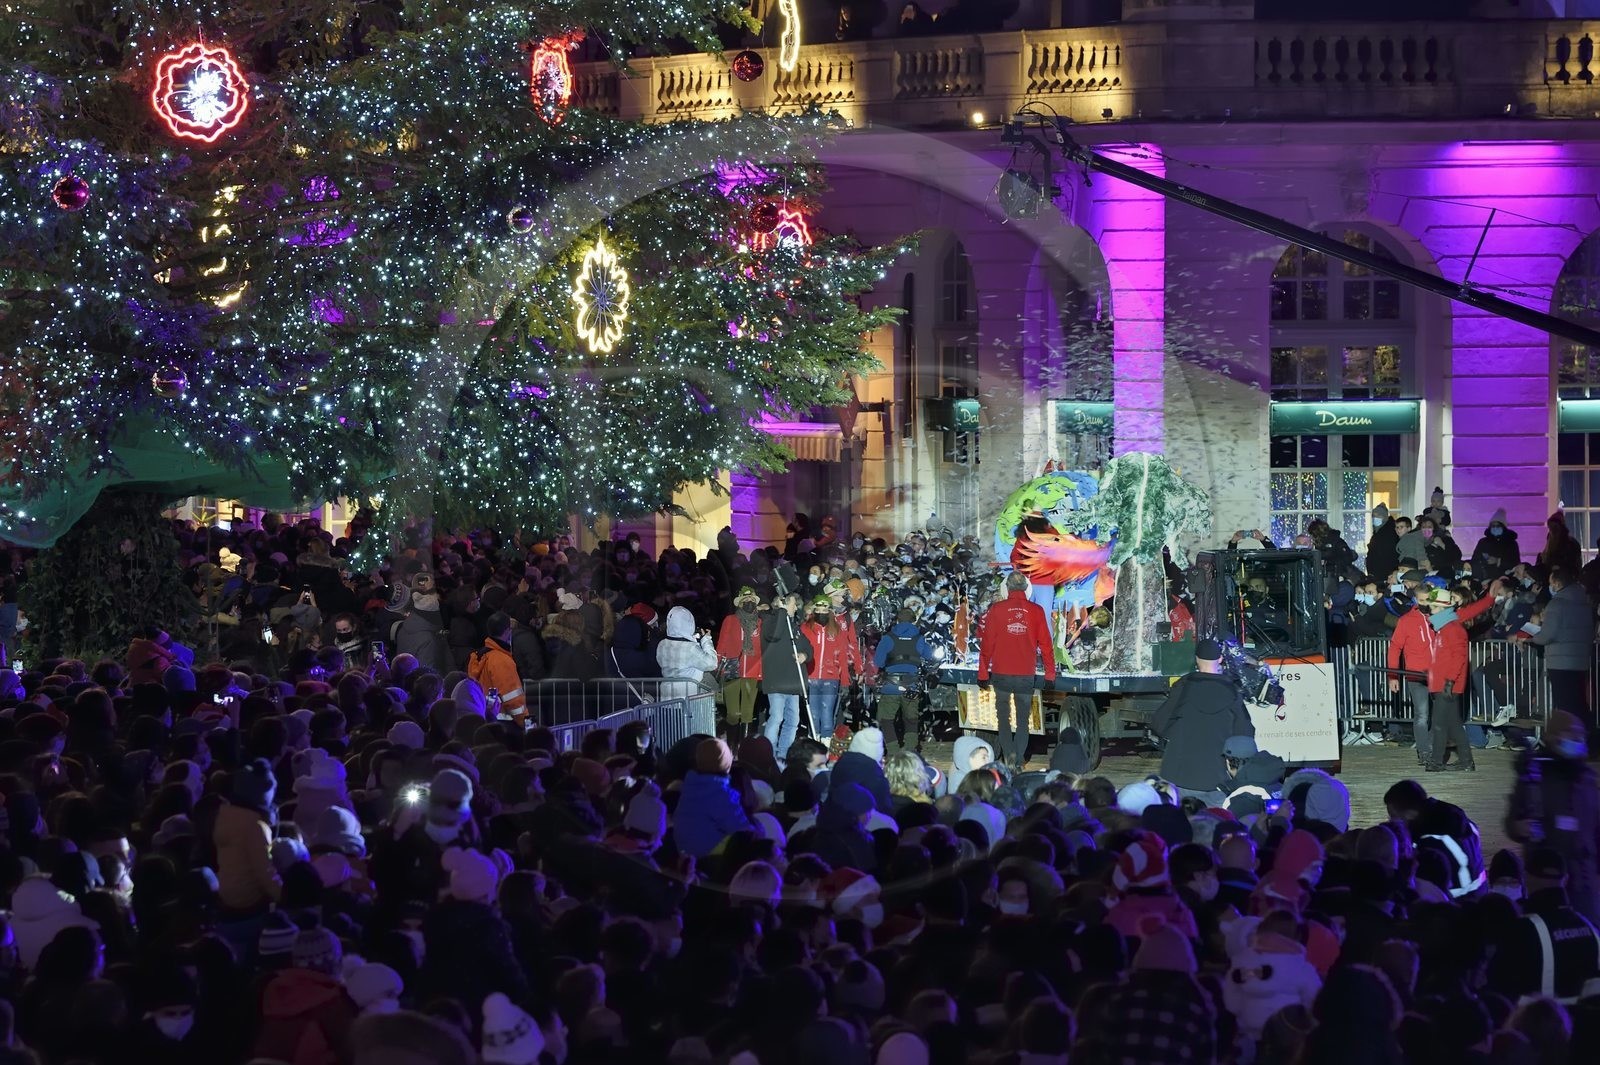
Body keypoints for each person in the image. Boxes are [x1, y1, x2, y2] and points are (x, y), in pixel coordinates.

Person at [1505, 709, 1600, 924]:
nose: (1578, 739)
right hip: (1547, 880)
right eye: (1571, 733)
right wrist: (1519, 827)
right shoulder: (1535, 777)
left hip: (1583, 882)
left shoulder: (1586, 779)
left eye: (1580, 735)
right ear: (1554, 737)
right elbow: (1512, 821)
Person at [1487, 847, 1600, 1004]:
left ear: (1526, 878)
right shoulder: (1591, 928)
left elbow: (1498, 988)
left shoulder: (1521, 931)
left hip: (1535, 1019)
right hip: (1587, 1019)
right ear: (1565, 879)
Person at [1148, 638, 1254, 798]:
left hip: (1180, 776)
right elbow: (1245, 733)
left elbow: (1159, 723)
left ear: (1196, 659)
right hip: (1218, 779)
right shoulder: (1232, 692)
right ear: (1220, 659)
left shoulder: (1183, 687)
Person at [976, 572, 1056, 767]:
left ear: (1007, 587)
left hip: (1001, 674)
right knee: (1022, 720)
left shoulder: (997, 609)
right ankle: (1019, 759)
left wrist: (983, 672)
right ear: (1027, 588)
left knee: (1003, 718)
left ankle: (1009, 755)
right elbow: (1046, 645)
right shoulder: (1036, 610)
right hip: (1025, 675)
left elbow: (987, 645)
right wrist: (1050, 674)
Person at [1530, 566, 1595, 738]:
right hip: (1580, 661)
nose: (1550, 586)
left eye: (1551, 583)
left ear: (1557, 583)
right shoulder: (1584, 603)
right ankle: (1589, 739)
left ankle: (1570, 741)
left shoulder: (1557, 604)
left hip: (1560, 662)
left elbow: (1548, 634)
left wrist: (1535, 637)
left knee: (1565, 705)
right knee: (1579, 703)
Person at [1417, 586, 1473, 773]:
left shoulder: (1452, 629)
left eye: (1433, 607)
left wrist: (1449, 681)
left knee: (1439, 724)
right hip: (1443, 684)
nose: (1430, 611)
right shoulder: (1445, 629)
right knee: (1454, 725)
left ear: (1442, 608)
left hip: (1447, 685)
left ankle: (1437, 761)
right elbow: (1446, 659)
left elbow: (1458, 658)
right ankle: (1466, 761)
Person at [800, 594, 861, 744]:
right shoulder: (805, 628)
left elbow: (842, 656)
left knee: (827, 712)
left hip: (831, 677)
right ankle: (814, 742)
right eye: (818, 609)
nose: (821, 612)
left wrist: (845, 680)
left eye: (825, 609)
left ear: (830, 610)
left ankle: (826, 743)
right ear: (814, 610)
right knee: (813, 712)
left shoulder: (836, 629)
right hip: (811, 676)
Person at [872, 608, 934, 752]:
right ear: (913, 620)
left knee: (886, 719)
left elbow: (878, 662)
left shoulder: (888, 638)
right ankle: (910, 751)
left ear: (897, 620)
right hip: (911, 685)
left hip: (891, 686)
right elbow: (929, 655)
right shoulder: (919, 638)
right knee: (911, 719)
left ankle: (893, 750)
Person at [760, 592, 813, 755]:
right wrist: (782, 611)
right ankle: (769, 753)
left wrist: (805, 655)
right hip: (777, 681)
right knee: (776, 718)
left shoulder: (794, 627)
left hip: (793, 683)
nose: (796, 608)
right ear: (781, 605)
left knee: (793, 720)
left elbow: (808, 647)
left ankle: (783, 753)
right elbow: (775, 635)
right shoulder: (769, 622)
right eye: (793, 605)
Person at [716, 587, 765, 745]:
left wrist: (761, 671)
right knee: (733, 713)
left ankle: (742, 748)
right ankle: (730, 746)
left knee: (747, 713)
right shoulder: (730, 620)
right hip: (732, 670)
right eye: (746, 600)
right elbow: (722, 643)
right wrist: (717, 663)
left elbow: (762, 649)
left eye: (752, 600)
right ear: (740, 603)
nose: (749, 602)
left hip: (752, 671)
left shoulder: (760, 622)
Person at [467, 612, 526, 724]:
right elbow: (513, 700)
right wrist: (526, 723)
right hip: (504, 724)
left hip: (485, 720)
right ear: (507, 631)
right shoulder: (502, 661)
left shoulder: (479, 657)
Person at [656, 605, 718, 701]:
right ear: (689, 623)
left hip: (667, 698)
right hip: (689, 699)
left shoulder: (662, 644)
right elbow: (712, 664)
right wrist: (706, 640)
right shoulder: (690, 648)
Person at [1470, 508, 1521, 584]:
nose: (1495, 528)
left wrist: (1498, 561)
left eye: (1498, 526)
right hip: (1485, 580)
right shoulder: (1483, 542)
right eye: (1493, 526)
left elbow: (1515, 563)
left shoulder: (1511, 543)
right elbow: (1475, 559)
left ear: (1503, 527)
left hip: (1505, 580)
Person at [1366, 503, 1400, 583]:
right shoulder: (1377, 532)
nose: (1375, 518)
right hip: (1378, 575)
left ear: (1385, 517)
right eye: (1374, 516)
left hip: (1386, 576)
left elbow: (1388, 556)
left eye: (1379, 515)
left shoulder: (1390, 533)